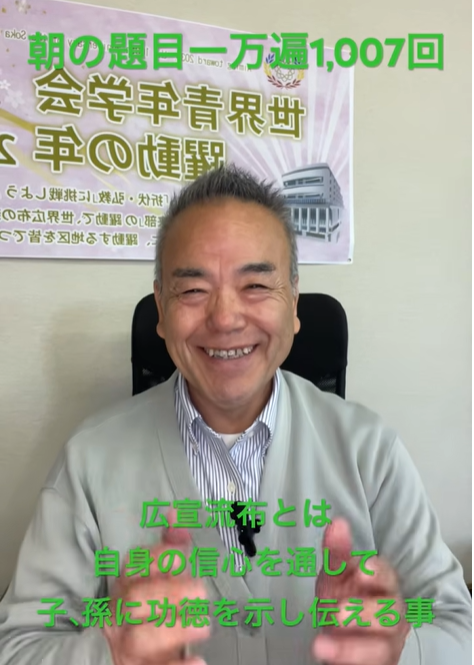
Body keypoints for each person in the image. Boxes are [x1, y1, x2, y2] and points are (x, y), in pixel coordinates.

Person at [0, 164, 471, 665]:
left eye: (256, 286)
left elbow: (457, 627)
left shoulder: (368, 451)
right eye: (193, 290)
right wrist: (109, 655)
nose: (225, 318)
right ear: (160, 308)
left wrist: (401, 648)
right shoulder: (90, 461)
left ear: (293, 302)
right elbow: (20, 644)